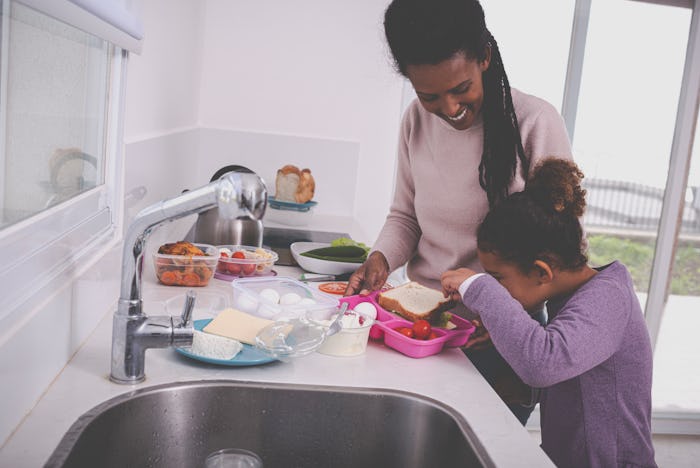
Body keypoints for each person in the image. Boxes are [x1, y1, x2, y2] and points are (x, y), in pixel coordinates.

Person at [344, 0, 572, 423]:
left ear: (485, 56)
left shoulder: (535, 123)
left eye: (461, 88)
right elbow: (406, 216)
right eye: (429, 95)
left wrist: (506, 314)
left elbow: (563, 253)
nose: (449, 109)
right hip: (420, 329)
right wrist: (379, 258)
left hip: (501, 344)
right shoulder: (415, 121)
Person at [441, 158, 657, 468]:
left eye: (499, 278)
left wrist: (479, 288)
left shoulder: (609, 299)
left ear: (542, 272)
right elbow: (578, 374)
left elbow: (544, 363)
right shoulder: (569, 297)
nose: (496, 287)